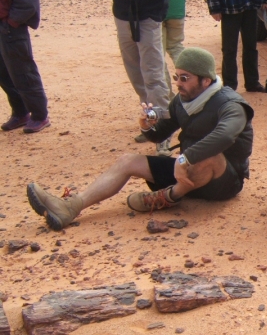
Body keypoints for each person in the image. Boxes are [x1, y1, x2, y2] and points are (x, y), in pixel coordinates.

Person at [26, 48, 254, 231]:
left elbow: (224, 135)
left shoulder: (231, 105)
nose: (177, 83)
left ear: (206, 81)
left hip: (223, 182)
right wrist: (147, 127)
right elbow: (161, 133)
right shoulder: (182, 100)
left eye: (185, 78)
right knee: (128, 161)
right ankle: (71, 206)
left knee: (211, 154)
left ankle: (168, 197)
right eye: (176, 76)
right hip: (186, 173)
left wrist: (184, 159)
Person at [96, 0, 176, 154]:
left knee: (153, 74)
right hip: (123, 14)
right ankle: (151, 123)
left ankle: (163, 133)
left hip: (148, 15)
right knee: (136, 74)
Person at [203, 0, 267, 93]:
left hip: (251, 5)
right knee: (229, 49)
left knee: (251, 46)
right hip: (230, 7)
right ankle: (229, 87)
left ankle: (252, 82)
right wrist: (214, 7)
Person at [0, 0, 50, 134]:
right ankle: (20, 113)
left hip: (11, 26)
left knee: (23, 72)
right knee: (4, 74)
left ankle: (39, 115)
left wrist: (11, 23)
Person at [162, 0, 200, 98]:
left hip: (155, 7)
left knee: (158, 55)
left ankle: (166, 97)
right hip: (177, 5)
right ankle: (193, 87)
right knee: (176, 46)